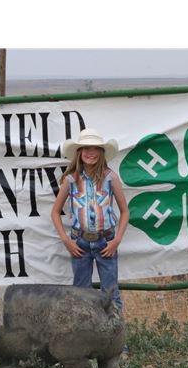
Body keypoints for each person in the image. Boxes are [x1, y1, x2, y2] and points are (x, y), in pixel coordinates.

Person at [51, 128, 130, 348]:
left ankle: (116, 343)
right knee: (80, 293)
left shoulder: (110, 177)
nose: (90, 152)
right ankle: (82, 341)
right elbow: (55, 212)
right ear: (79, 152)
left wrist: (117, 240)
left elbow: (125, 212)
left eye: (95, 148)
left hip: (106, 242)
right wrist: (67, 241)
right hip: (80, 243)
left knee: (110, 293)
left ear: (102, 152)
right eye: (86, 148)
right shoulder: (71, 180)